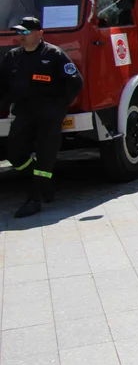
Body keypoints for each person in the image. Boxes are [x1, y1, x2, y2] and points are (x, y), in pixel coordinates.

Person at [0, 17, 84, 217]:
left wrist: (60, 105)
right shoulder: (12, 57)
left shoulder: (54, 54)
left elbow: (75, 81)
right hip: (24, 113)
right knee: (15, 154)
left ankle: (34, 199)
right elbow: (2, 84)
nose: (21, 36)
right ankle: (43, 182)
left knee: (46, 155)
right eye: (19, 32)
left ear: (39, 34)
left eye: (25, 32)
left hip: (49, 114)